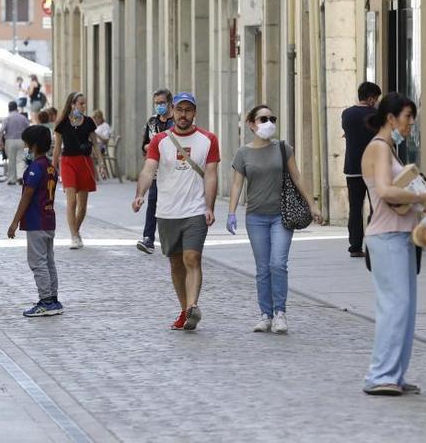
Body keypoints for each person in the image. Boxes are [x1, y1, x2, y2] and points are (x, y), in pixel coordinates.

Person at [360, 92, 426, 396]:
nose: (410, 124)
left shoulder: (390, 150)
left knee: (404, 308)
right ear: (391, 118)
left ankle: (395, 374)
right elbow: (385, 190)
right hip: (386, 235)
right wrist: (420, 197)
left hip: (401, 235)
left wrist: (422, 198)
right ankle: (379, 376)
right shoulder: (379, 148)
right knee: (394, 307)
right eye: (407, 117)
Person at [227, 105, 322, 333]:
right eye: (263, 118)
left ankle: (280, 313)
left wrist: (312, 204)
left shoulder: (283, 148)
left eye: (272, 118)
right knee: (263, 268)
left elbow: (297, 178)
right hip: (255, 218)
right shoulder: (243, 153)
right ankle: (265, 314)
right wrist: (231, 213)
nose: (269, 122)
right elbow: (237, 184)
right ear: (251, 124)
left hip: (281, 216)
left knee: (278, 264)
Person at [132, 92, 219, 331]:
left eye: (188, 110)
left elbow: (211, 175)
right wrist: (140, 194)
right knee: (175, 263)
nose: (183, 115)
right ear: (173, 110)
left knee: (192, 257)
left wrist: (209, 206)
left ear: (194, 113)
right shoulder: (160, 140)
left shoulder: (208, 139)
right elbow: (149, 170)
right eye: (179, 110)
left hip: (195, 210)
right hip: (167, 211)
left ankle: (193, 307)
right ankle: (184, 309)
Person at [7, 126, 63, 317]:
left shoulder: (35, 169)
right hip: (49, 220)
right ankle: (54, 299)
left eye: (27, 144)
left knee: (38, 263)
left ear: (34, 145)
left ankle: (46, 300)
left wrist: (15, 222)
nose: (25, 147)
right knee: (49, 262)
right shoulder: (50, 166)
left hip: (36, 221)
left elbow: (26, 197)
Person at [53, 92, 104, 249]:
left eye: (84, 104)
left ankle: (76, 231)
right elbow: (57, 146)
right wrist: (52, 166)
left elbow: (95, 144)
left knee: (82, 205)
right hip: (67, 162)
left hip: (85, 163)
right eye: (81, 103)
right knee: (72, 201)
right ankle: (74, 236)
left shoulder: (89, 122)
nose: (83, 106)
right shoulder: (62, 123)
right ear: (72, 104)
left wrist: (100, 163)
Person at [342, 82, 382, 258]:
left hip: (352, 168)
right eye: (377, 99)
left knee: (355, 208)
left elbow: (348, 132)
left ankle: (355, 247)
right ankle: (373, 245)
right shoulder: (376, 115)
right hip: (373, 169)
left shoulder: (347, 114)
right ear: (371, 98)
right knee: (376, 208)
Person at [136, 89, 174, 254]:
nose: (159, 106)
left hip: (174, 172)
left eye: (162, 102)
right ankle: (148, 239)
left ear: (170, 103)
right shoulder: (152, 122)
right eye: (156, 103)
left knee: (171, 206)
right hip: (156, 171)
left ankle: (172, 239)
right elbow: (144, 145)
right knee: (153, 202)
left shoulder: (176, 122)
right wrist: (152, 147)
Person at [0, 100, 31, 185]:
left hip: (10, 141)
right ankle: (21, 176)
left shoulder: (7, 118)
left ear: (9, 108)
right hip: (22, 140)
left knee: (11, 160)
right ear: (16, 108)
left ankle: (12, 179)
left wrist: (0, 142)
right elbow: (28, 128)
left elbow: (2, 130)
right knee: (21, 159)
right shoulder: (23, 117)